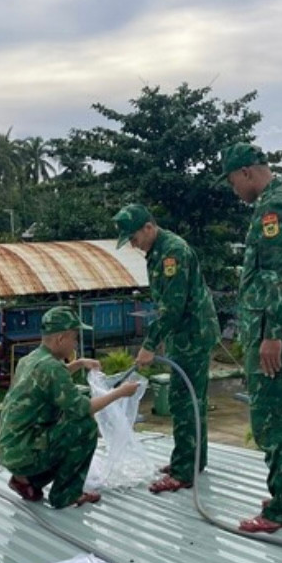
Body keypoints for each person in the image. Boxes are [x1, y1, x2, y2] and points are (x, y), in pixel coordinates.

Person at [220, 142, 282, 533]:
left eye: (233, 182)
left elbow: (278, 274)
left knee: (274, 417)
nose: (234, 191)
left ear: (246, 172)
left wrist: (271, 335)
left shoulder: (273, 208)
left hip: (274, 327)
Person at [112, 203, 219, 494]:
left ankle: (185, 471)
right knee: (189, 398)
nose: (133, 245)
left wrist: (148, 345)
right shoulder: (156, 251)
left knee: (184, 400)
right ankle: (191, 459)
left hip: (193, 334)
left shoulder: (173, 252)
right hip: (183, 334)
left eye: (134, 238)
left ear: (149, 227)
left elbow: (172, 306)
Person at [0, 306, 139, 508]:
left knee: (65, 424)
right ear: (61, 338)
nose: (75, 344)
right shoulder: (51, 367)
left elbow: (51, 378)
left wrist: (79, 363)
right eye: (74, 338)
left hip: (10, 448)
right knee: (84, 426)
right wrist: (119, 393)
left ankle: (26, 482)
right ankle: (66, 495)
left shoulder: (30, 359)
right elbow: (83, 409)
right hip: (24, 451)